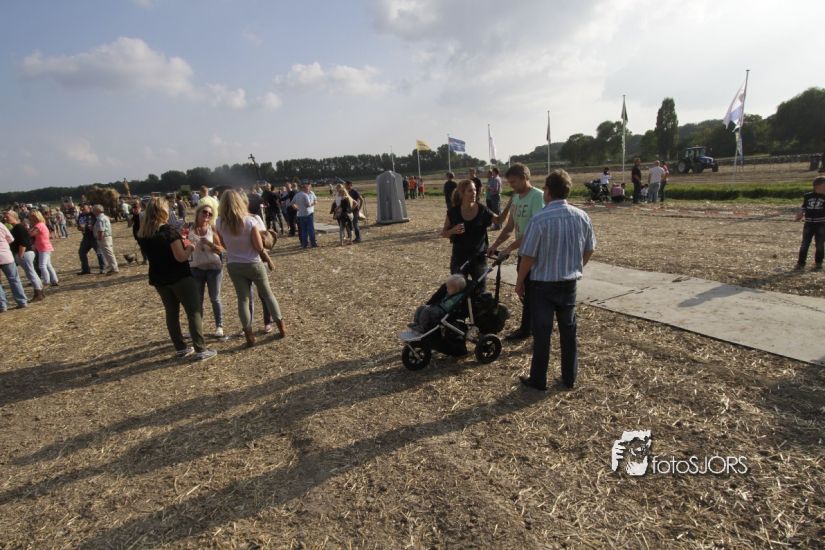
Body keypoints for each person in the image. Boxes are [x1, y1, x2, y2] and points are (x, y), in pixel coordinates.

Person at [516, 169, 595, 391]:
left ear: (548, 191)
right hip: (569, 284)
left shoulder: (539, 219)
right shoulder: (582, 216)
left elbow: (528, 256)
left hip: (542, 285)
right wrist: (576, 266)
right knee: (569, 332)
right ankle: (569, 377)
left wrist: (520, 281)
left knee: (542, 333)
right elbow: (589, 248)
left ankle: (538, 379)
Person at [137, 198, 217, 361]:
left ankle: (181, 348)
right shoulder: (169, 232)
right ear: (162, 211)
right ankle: (200, 349)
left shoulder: (144, 234)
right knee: (193, 312)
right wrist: (190, 248)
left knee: (171, 313)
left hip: (159, 279)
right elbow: (180, 257)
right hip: (179, 277)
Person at [216, 190, 286, 346]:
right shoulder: (249, 221)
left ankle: (248, 333)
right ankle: (281, 326)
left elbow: (224, 244)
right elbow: (259, 247)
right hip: (253, 263)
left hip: (234, 265)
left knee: (243, 299)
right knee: (268, 295)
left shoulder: (219, 222)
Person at [488, 163, 545, 341]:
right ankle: (531, 326)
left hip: (536, 253)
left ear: (524, 178)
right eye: (509, 182)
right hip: (523, 252)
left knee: (533, 292)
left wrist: (508, 248)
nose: (511, 185)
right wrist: (495, 245)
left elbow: (534, 232)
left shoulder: (537, 197)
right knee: (525, 291)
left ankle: (530, 328)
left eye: (513, 182)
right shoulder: (516, 198)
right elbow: (509, 227)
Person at [441, 179, 508, 288]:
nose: (474, 193)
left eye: (475, 190)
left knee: (480, 290)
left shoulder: (482, 210)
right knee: (458, 290)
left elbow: (499, 220)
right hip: (459, 258)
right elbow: (444, 233)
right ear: (462, 193)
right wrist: (452, 231)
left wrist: (510, 204)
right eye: (470, 191)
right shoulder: (453, 212)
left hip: (479, 258)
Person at [188, 203, 226, 337]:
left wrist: (209, 244)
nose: (207, 215)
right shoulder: (189, 229)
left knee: (215, 298)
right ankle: (197, 327)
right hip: (196, 268)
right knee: (197, 300)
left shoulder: (212, 229)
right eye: (204, 212)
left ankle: (219, 326)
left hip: (213, 268)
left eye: (210, 214)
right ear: (198, 212)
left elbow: (221, 249)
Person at [4, 210, 45, 302]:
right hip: (25, 253)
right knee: (32, 273)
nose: (5, 218)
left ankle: (38, 293)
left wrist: (20, 255)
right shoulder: (17, 227)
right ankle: (40, 292)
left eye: (7, 216)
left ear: (14, 216)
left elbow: (23, 242)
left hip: (25, 253)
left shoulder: (19, 227)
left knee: (31, 274)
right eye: (5, 217)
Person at [794, 176, 825, 271]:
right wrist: (800, 212)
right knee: (805, 244)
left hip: (821, 224)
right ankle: (800, 263)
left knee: (820, 244)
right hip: (809, 224)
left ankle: (818, 263)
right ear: (818, 186)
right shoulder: (808, 196)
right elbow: (804, 206)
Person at [0, 222, 27, 310]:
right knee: (14, 279)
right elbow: (11, 239)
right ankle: (22, 301)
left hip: (5, 256)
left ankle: (2, 305)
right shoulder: (1, 225)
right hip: (6, 256)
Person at [28, 210, 59, 287]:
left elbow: (31, 234)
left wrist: (28, 228)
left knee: (42, 265)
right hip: (44, 247)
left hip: (43, 247)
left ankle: (46, 281)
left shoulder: (39, 225)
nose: (30, 219)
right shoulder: (40, 224)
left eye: (32, 217)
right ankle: (54, 280)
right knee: (48, 265)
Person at [76, 203, 105, 275]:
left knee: (99, 253)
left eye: (83, 207)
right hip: (86, 237)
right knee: (81, 252)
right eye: (81, 207)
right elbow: (78, 225)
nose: (82, 208)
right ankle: (85, 269)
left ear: (88, 207)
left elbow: (100, 223)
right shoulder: (80, 215)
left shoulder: (93, 214)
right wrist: (80, 228)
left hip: (94, 237)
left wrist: (91, 227)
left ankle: (103, 268)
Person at [93, 205, 119, 274]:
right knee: (109, 252)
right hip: (107, 237)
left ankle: (114, 268)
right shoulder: (105, 217)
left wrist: (99, 239)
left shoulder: (100, 219)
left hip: (104, 238)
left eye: (94, 210)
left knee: (108, 253)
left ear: (97, 211)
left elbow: (101, 230)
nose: (93, 212)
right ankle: (113, 267)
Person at [292, 182, 318, 249]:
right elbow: (308, 205)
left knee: (303, 230)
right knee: (310, 230)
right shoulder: (305, 195)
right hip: (308, 214)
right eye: (307, 188)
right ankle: (313, 244)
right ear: (304, 188)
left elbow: (292, 203)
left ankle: (304, 244)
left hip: (301, 214)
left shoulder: (297, 195)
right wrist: (312, 204)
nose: (308, 189)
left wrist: (297, 208)